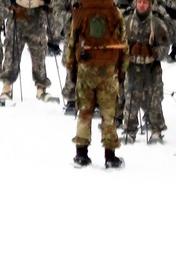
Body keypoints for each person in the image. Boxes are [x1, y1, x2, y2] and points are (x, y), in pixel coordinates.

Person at [65, 0, 128, 167]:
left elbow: (72, 40)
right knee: (108, 113)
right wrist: (121, 71)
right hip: (108, 69)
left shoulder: (80, 9)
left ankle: (81, 154)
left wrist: (71, 67)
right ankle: (110, 156)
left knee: (84, 111)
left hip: (86, 69)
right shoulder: (114, 11)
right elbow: (123, 42)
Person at [121, 0, 169, 141]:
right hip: (132, 68)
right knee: (130, 98)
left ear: (150, 4)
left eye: (145, 2)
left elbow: (165, 48)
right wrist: (129, 49)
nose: (142, 5)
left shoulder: (157, 24)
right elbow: (118, 44)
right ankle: (129, 129)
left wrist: (151, 51)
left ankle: (156, 129)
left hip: (151, 69)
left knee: (154, 99)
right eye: (140, 1)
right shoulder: (126, 22)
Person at [0, 0, 55, 101]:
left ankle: (41, 89)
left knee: (39, 56)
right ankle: (6, 88)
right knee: (11, 56)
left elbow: (52, 4)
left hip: (37, 21)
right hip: (17, 19)